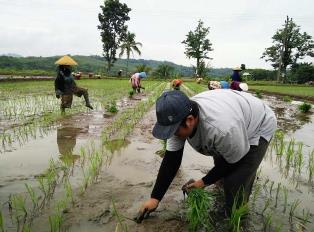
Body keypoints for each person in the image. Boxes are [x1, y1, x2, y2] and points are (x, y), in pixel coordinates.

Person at [137, 90, 276, 221]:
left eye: (174, 131)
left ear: (190, 120)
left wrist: (202, 182)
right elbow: (171, 161)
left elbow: (232, 162)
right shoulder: (178, 120)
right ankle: (222, 192)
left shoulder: (222, 129)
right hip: (232, 114)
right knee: (221, 165)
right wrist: (155, 198)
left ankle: (237, 219)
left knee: (235, 181)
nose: (173, 135)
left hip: (258, 125)